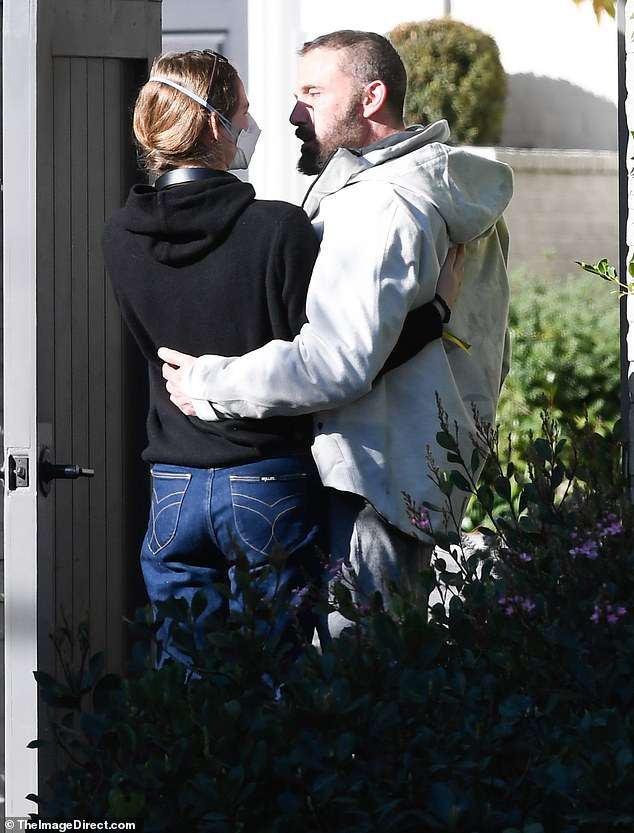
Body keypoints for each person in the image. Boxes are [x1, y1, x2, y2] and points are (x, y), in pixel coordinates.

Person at [102, 48, 458, 661]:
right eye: (243, 110)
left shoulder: (119, 235)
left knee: (188, 680)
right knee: (277, 678)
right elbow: (330, 360)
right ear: (216, 126)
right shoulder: (276, 228)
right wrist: (434, 317)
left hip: (172, 483)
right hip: (265, 478)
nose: (255, 123)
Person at [159, 31, 513, 640]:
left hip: (367, 483)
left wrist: (211, 383)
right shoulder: (432, 191)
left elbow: (334, 362)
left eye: (313, 94)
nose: (294, 113)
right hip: (407, 472)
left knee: (348, 696)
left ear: (371, 97)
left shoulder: (382, 206)